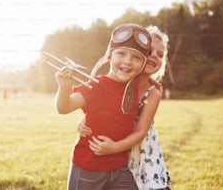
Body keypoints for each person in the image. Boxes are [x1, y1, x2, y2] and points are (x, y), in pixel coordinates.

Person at [54, 23, 152, 190]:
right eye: (121, 53)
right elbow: (64, 107)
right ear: (109, 56)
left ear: (143, 64)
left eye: (136, 57)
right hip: (88, 168)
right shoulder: (97, 85)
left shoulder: (136, 85)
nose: (127, 61)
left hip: (120, 167)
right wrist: (64, 88)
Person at [78, 26, 171, 190]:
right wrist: (84, 120)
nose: (154, 57)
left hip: (142, 154)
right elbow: (102, 106)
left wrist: (114, 147)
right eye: (150, 52)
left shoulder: (153, 90)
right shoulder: (119, 81)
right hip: (117, 158)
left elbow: (140, 132)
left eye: (160, 55)